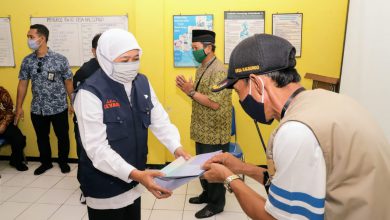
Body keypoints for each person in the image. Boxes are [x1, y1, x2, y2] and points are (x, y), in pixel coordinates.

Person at [202, 34, 390, 220]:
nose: (240, 99)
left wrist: (228, 178)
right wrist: (242, 168)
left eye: (237, 91)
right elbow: (294, 184)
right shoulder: (329, 101)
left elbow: (276, 218)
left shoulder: (296, 131)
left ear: (256, 84)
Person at [73, 28, 191, 220]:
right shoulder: (90, 92)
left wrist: (175, 147)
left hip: (135, 179)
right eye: (124, 60)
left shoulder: (141, 82)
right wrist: (136, 174)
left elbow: (158, 118)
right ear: (106, 58)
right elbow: (96, 149)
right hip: (105, 185)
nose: (131, 65)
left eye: (135, 59)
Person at [176, 29, 232, 218]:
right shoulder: (201, 67)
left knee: (215, 167)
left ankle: (216, 204)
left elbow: (215, 104)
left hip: (215, 130)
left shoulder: (221, 71)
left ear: (209, 48)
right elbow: (200, 96)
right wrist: (189, 90)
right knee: (203, 165)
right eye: (192, 48)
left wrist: (190, 92)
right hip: (201, 127)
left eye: (196, 48)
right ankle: (207, 194)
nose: (194, 51)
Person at [14, 24, 73, 175]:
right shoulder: (27, 61)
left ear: (42, 38)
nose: (29, 40)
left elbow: (68, 82)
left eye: (31, 37)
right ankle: (46, 163)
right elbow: (22, 84)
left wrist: (72, 102)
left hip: (58, 107)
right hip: (37, 108)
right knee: (42, 138)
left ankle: (63, 162)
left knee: (62, 137)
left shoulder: (60, 59)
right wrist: (19, 107)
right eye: (28, 37)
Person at [73, 33, 101, 205]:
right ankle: (86, 189)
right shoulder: (85, 71)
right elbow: (76, 97)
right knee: (86, 154)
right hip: (86, 122)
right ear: (93, 50)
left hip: (109, 122)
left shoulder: (117, 67)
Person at [0, 86, 28, 171]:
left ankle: (15, 160)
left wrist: (4, 124)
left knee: (19, 140)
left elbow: (10, 109)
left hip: (4, 123)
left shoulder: (2, 92)